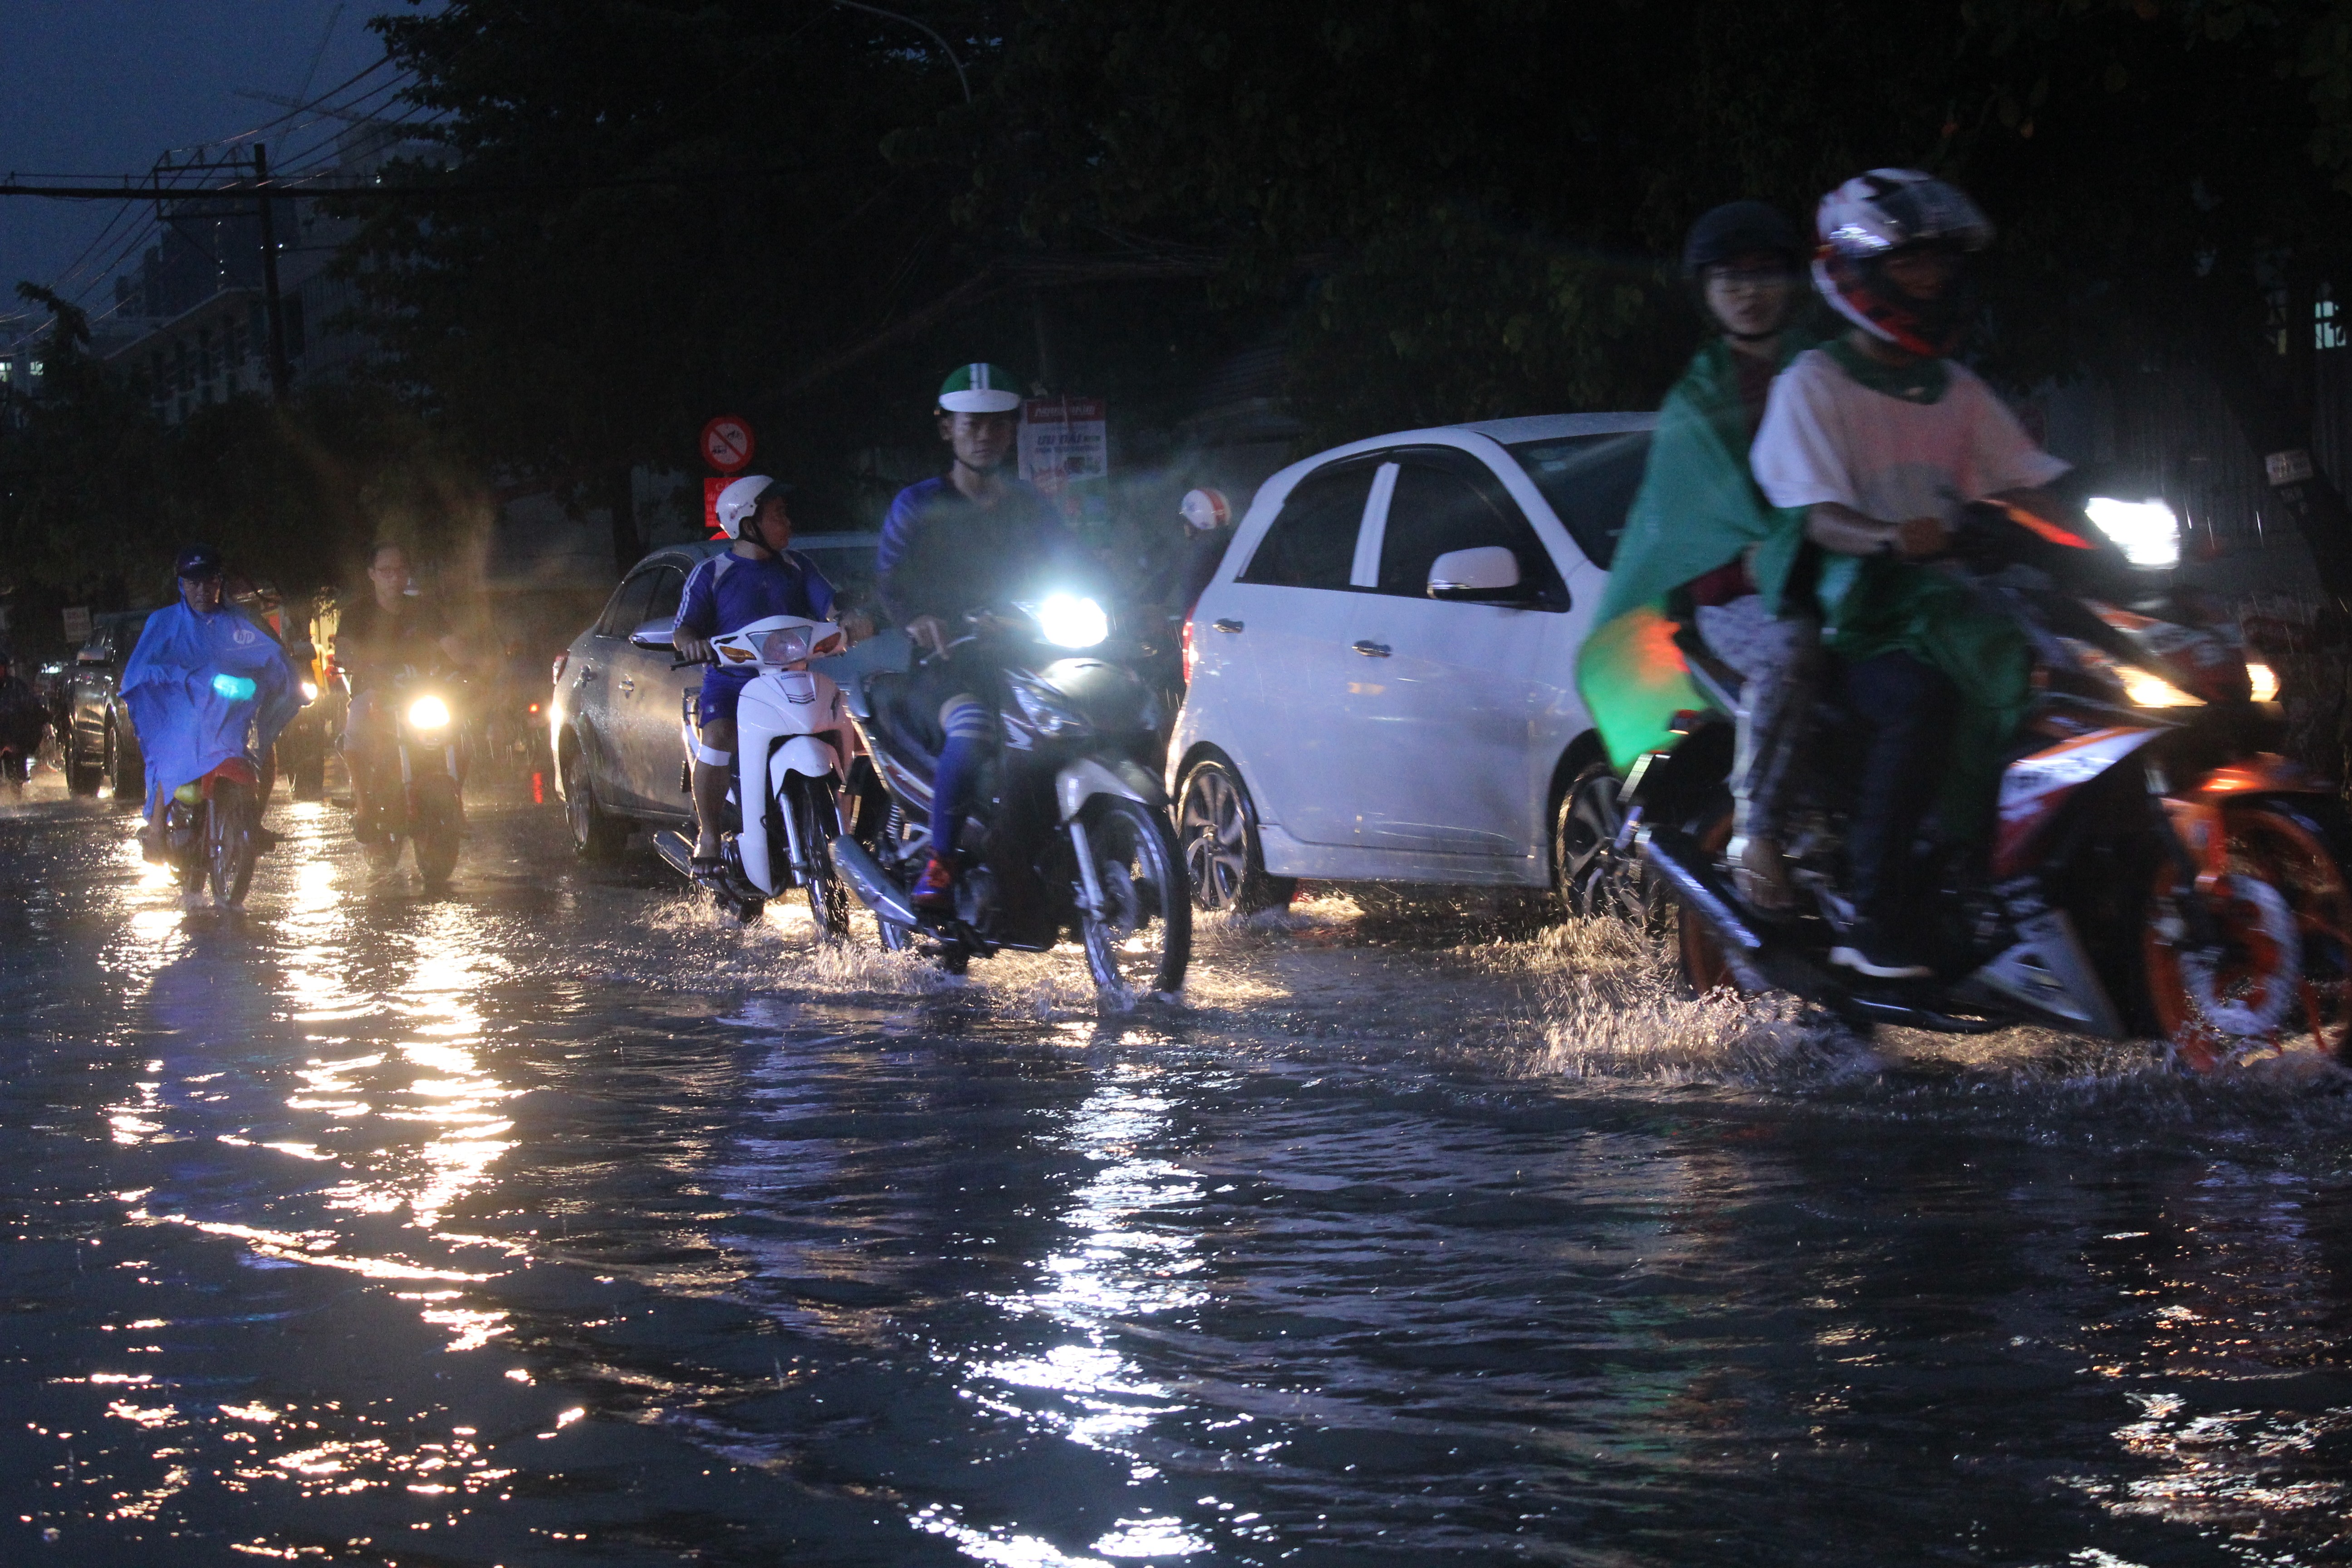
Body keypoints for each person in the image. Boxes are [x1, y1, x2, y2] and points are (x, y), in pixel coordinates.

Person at [1751, 168, 2071, 979]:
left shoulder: (1953, 387)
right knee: (1922, 703)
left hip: (1955, 603)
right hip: (1856, 614)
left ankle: (2022, 879)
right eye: (1908, 263)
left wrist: (2086, 515)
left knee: (2068, 683)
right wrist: (1890, 537)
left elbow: (2024, 480)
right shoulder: (1812, 384)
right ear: (1858, 273)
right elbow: (1815, 513)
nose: (1928, 278)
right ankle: (1875, 913)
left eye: (1936, 262)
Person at [1597, 200, 1820, 909]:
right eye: (1732, 278)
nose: (1750, 292)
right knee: (1794, 650)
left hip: (1846, 574)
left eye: (1766, 274)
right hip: (1740, 599)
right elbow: (1688, 535)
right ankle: (1759, 833)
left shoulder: (1833, 373)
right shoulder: (1697, 404)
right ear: (1708, 292)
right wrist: (1755, 565)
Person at [876, 363, 1084, 908]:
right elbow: (891, 580)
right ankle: (942, 863)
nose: (985, 435)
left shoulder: (1032, 505)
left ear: (1012, 430)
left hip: (1028, 655)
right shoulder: (918, 504)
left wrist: (1133, 604)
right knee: (971, 730)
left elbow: (1076, 563)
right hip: (949, 662)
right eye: (972, 424)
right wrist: (919, 618)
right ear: (947, 429)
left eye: (997, 424)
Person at [672, 473, 868, 868]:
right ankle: (709, 837)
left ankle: (852, 834)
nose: (789, 522)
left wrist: (850, 619)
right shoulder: (712, 573)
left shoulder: (799, 566)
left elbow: (831, 606)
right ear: (749, 524)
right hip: (732, 686)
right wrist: (692, 643)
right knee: (718, 738)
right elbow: (684, 629)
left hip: (794, 680)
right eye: (779, 514)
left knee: (851, 727)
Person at [122, 545, 299, 860]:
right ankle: (157, 829)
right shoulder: (163, 623)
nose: (202, 590)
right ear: (182, 585)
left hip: (234, 712)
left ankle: (253, 820)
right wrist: (183, 678)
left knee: (263, 747)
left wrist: (287, 676)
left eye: (209, 582)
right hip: (185, 711)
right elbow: (139, 671)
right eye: (194, 583)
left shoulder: (243, 620)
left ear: (220, 583)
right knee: (172, 748)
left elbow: (271, 655)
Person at [337, 542, 469, 843]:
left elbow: (452, 645)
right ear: (372, 574)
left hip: (421, 694)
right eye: (386, 571)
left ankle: (455, 805)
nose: (394, 578)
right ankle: (364, 804)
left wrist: (471, 666)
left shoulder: (425, 610)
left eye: (400, 571)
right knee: (356, 729)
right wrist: (348, 657)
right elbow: (344, 645)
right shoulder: (357, 613)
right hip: (374, 690)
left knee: (462, 735)